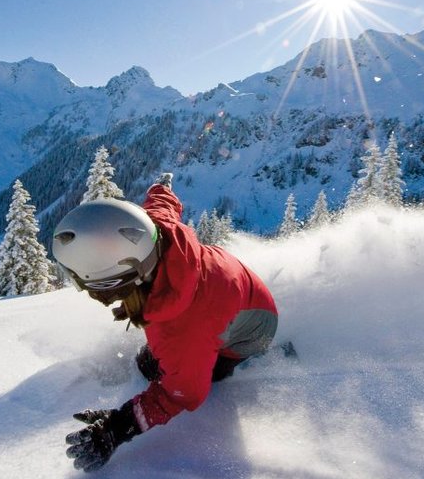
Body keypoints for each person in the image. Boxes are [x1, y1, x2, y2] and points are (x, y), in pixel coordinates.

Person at [53, 173, 278, 472]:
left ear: (116, 286)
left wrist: (117, 427)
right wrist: (161, 187)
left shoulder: (181, 329)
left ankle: (250, 360)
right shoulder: (154, 233)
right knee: (153, 361)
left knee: (157, 368)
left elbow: (184, 392)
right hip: (243, 298)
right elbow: (162, 205)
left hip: (250, 333)